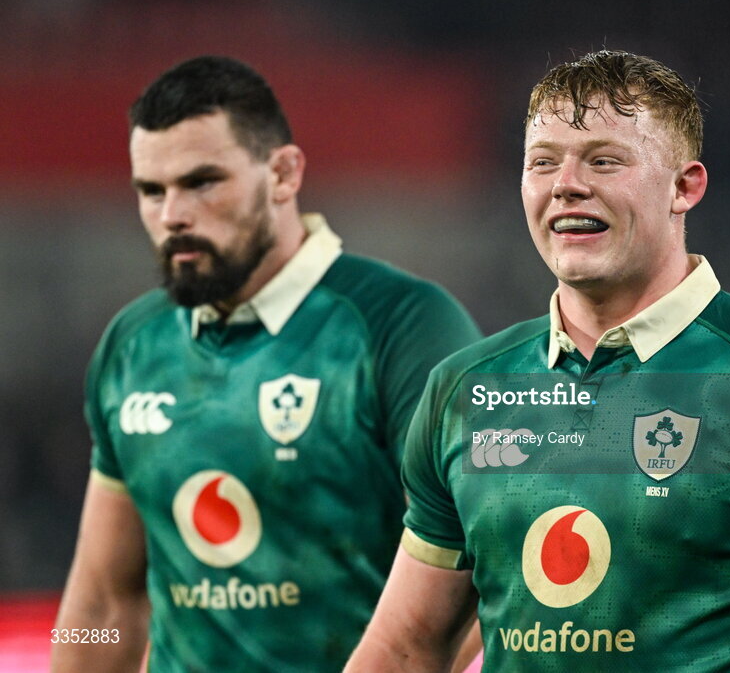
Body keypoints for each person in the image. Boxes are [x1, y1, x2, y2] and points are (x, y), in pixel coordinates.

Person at [345, 50, 730, 672]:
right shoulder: (466, 390)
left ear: (684, 187)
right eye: (542, 162)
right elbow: (404, 649)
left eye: (604, 160)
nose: (566, 184)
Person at [51, 55, 481, 672]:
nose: (171, 215)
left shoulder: (403, 326)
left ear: (283, 174)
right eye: (152, 191)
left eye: (201, 182)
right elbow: (101, 610)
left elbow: (477, 583)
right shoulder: (133, 345)